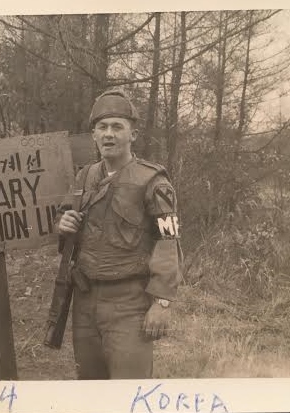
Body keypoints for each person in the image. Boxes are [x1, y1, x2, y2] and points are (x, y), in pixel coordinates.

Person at [57, 88, 183, 379]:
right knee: (91, 393)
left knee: (130, 395)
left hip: (129, 305)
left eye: (117, 127)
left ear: (133, 135)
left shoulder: (153, 180)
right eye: (102, 127)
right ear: (94, 135)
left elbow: (169, 241)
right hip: (85, 302)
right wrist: (63, 225)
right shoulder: (84, 177)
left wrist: (161, 302)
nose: (109, 134)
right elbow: (64, 222)